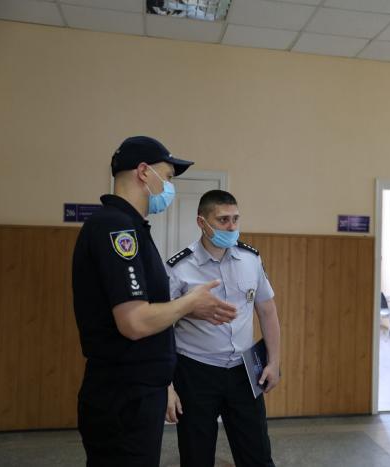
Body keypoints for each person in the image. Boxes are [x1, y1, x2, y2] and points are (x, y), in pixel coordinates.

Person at [72, 136, 237, 467]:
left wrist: (163, 383)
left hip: (136, 391)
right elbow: (134, 322)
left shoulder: (131, 227)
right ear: (144, 172)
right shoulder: (117, 228)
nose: (169, 187)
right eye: (168, 176)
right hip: (123, 396)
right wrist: (189, 303)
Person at [165, 189, 281, 467]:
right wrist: (167, 386)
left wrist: (274, 362)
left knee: (257, 456)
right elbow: (160, 326)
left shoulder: (250, 259)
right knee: (196, 457)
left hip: (244, 371)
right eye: (223, 220)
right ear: (202, 222)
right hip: (195, 372)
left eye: (235, 219)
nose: (231, 227)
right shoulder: (179, 267)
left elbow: (267, 311)